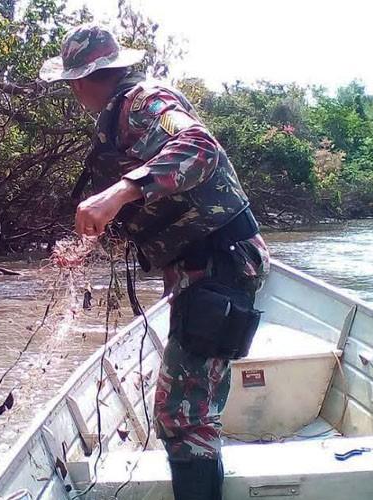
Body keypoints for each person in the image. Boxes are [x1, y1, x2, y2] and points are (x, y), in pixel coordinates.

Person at [39, 24, 271, 499]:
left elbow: (200, 147)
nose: (74, 91)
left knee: (180, 414)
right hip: (201, 268)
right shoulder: (118, 119)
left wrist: (121, 191)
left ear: (84, 79)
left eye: (72, 82)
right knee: (185, 409)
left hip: (223, 263)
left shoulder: (146, 102)